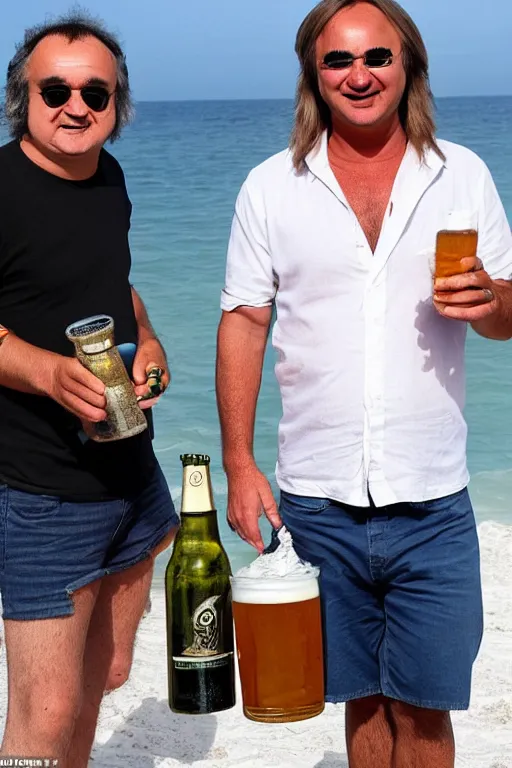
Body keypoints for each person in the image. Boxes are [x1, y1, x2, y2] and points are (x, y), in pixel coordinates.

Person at [216, 1, 512, 766]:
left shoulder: (463, 174)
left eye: (377, 56)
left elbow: (505, 311)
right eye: (338, 60)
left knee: (426, 713)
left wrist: (492, 301)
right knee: (361, 701)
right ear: (313, 75)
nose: (359, 74)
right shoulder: (269, 187)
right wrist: (240, 466)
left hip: (434, 500)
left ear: (408, 63)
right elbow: (245, 323)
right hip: (316, 499)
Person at [0, 13, 178, 767]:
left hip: (128, 470)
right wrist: (44, 371)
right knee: (45, 711)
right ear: (23, 97)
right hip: (38, 487)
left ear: (116, 105)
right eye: (56, 89)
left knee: (103, 674)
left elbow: (112, 287)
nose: (77, 106)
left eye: (95, 93)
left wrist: (153, 341)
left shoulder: (109, 177)